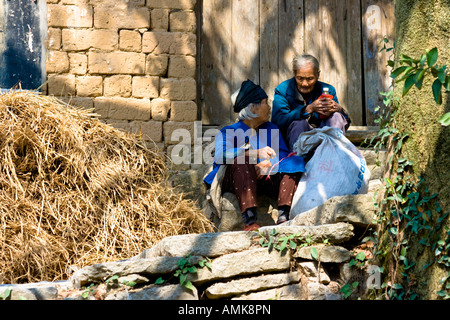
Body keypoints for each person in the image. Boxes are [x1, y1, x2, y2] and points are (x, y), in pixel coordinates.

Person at [203, 80, 305, 231]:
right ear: (253, 108)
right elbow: (221, 156)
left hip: (266, 178)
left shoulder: (271, 129)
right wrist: (254, 154)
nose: (269, 108)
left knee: (294, 162)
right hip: (237, 179)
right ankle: (250, 221)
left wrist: (270, 163)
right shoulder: (229, 131)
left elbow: (284, 155)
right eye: (265, 103)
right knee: (242, 160)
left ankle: (284, 218)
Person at [271, 54, 351, 151]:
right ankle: (299, 160)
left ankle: (332, 155)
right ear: (294, 74)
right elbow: (278, 122)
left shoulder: (328, 90)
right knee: (299, 123)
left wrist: (340, 110)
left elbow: (342, 123)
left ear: (318, 74)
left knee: (336, 117)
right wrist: (308, 109)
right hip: (294, 140)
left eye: (310, 79)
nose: (305, 84)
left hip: (323, 139)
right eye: (300, 78)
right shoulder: (283, 90)